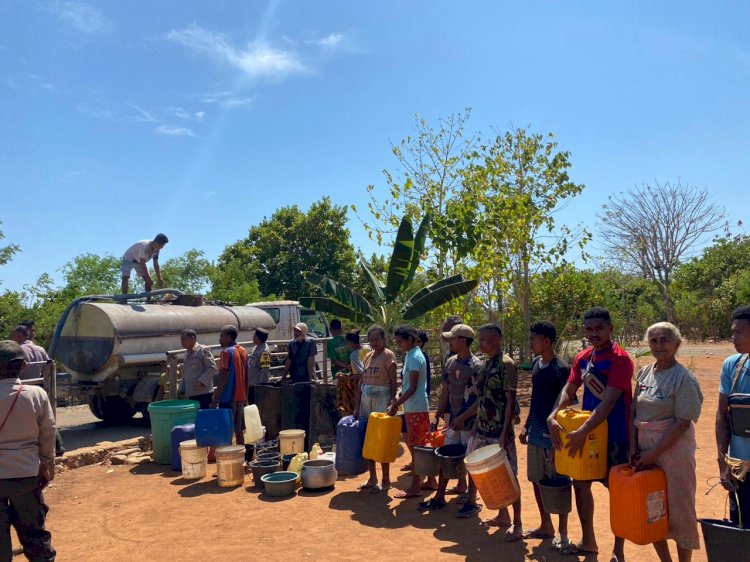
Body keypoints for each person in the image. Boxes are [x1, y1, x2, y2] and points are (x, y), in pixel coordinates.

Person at [547, 307, 633, 560]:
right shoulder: (583, 357)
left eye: (599, 328)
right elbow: (569, 388)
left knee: (617, 494)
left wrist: (582, 431)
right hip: (587, 436)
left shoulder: (620, 359)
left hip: (616, 436)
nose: (594, 333)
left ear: (610, 328)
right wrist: (554, 414)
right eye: (589, 329)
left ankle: (618, 550)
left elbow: (608, 402)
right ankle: (589, 541)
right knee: (581, 485)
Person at [630, 322, 702, 562]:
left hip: (675, 453)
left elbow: (682, 423)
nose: (659, 345)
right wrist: (635, 447)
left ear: (677, 344)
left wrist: (654, 453)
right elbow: (634, 411)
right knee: (651, 508)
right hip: (645, 450)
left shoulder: (684, 378)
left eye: (665, 340)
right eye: (654, 340)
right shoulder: (644, 373)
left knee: (680, 508)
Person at [459, 324, 523, 540]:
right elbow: (483, 398)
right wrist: (477, 423)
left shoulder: (506, 365)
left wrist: (505, 432)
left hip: (499, 430)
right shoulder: (486, 364)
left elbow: (510, 400)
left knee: (509, 475)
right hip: (484, 427)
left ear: (497, 340)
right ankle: (502, 515)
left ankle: (518, 523)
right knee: (491, 475)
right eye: (481, 340)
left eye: (485, 340)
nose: (481, 344)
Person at [0, 340, 56, 561]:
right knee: (34, 533)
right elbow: (48, 433)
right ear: (23, 365)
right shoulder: (36, 394)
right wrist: (46, 463)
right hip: (26, 474)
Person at [421, 324, 482, 516]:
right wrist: (438, 415)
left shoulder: (477, 367)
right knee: (445, 457)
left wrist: (464, 417)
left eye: (452, 339)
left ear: (463, 341)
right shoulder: (450, 363)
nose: (450, 343)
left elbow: (481, 399)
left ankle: (471, 501)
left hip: (470, 424)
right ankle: (440, 496)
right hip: (454, 422)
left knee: (471, 461)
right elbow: (445, 392)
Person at [519, 321, 570, 548]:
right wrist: (527, 425)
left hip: (554, 436)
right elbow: (535, 398)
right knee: (537, 480)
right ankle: (545, 524)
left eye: (533, 339)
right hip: (536, 432)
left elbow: (568, 404)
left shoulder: (561, 369)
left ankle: (563, 531)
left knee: (557, 482)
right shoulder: (538, 364)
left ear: (546, 341)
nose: (530, 343)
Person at [716, 305, 750, 528]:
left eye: (738, 332)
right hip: (740, 467)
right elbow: (722, 415)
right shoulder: (733, 365)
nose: (732, 337)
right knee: (741, 525)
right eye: (732, 331)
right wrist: (722, 462)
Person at [389, 325, 430, 499]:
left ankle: (415, 486)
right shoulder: (411, 356)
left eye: (401, 341)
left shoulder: (414, 358)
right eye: (397, 342)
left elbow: (413, 387)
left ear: (411, 340)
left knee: (417, 447)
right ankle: (430, 481)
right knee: (421, 445)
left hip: (416, 407)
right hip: (414, 407)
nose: (399, 345)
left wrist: (396, 403)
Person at [356, 325, 397, 493]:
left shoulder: (388, 356)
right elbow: (361, 382)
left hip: (382, 401)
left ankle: (386, 479)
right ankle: (372, 478)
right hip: (366, 401)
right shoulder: (368, 357)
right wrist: (356, 406)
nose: (374, 342)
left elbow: (394, 381)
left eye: (377, 339)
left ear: (383, 339)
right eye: (371, 339)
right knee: (368, 439)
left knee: (382, 440)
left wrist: (392, 402)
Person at [210, 325, 248, 445]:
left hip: (228, 397)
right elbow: (247, 376)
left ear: (229, 337)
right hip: (241, 397)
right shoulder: (243, 351)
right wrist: (246, 397)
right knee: (239, 430)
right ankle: (242, 455)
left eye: (222, 336)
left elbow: (223, 377)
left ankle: (228, 457)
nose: (219, 339)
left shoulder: (226, 352)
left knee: (226, 430)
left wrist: (215, 400)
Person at [178, 329, 218, 409]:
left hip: (203, 393)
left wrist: (201, 382)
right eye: (181, 340)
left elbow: (211, 368)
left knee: (205, 416)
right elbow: (187, 373)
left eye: (184, 339)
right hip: (191, 393)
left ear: (192, 338)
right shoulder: (187, 354)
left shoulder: (203, 350)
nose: (181, 342)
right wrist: (181, 388)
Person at [336, 331, 369, 416]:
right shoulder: (367, 348)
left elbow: (361, 373)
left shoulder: (354, 355)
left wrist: (347, 378)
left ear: (351, 342)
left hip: (359, 384)